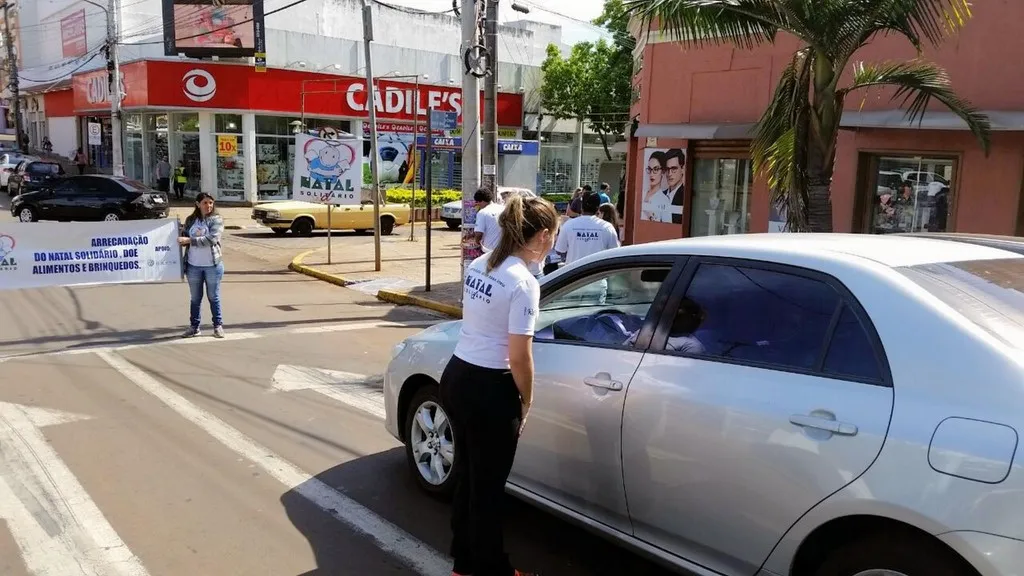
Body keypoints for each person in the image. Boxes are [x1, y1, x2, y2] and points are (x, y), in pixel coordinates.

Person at [440, 195, 559, 576]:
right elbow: (519, 356)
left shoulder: (482, 263)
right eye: (554, 236)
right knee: (488, 489)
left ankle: (464, 562)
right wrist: (527, 399)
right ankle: (492, 568)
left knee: (469, 477)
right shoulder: (523, 282)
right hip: (490, 388)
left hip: (458, 375)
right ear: (543, 235)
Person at [178, 192, 225, 338]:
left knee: (213, 297)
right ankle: (194, 327)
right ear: (198, 204)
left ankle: (217, 326)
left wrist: (189, 240)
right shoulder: (191, 220)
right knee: (195, 298)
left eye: (210, 202)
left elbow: (211, 239)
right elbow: (182, 236)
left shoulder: (216, 219)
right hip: (193, 265)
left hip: (212, 265)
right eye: (205, 203)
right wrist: (176, 231)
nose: (208, 206)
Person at [555, 191, 620, 265]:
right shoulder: (607, 227)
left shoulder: (568, 225)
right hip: (598, 270)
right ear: (598, 208)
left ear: (581, 207)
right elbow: (615, 252)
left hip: (574, 270)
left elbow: (560, 250)